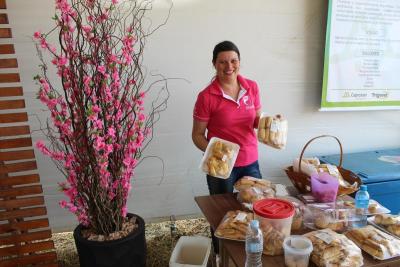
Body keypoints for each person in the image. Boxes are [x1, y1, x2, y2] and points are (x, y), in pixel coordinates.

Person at [192, 40, 263, 255]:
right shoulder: (206, 97)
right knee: (222, 214)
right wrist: (218, 154)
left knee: (253, 208)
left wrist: (271, 124)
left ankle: (249, 252)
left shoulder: (252, 87)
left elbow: (257, 120)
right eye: (222, 62)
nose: (229, 66)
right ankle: (221, 254)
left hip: (250, 161)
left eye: (233, 60)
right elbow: (197, 136)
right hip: (222, 167)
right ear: (214, 64)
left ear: (239, 62)